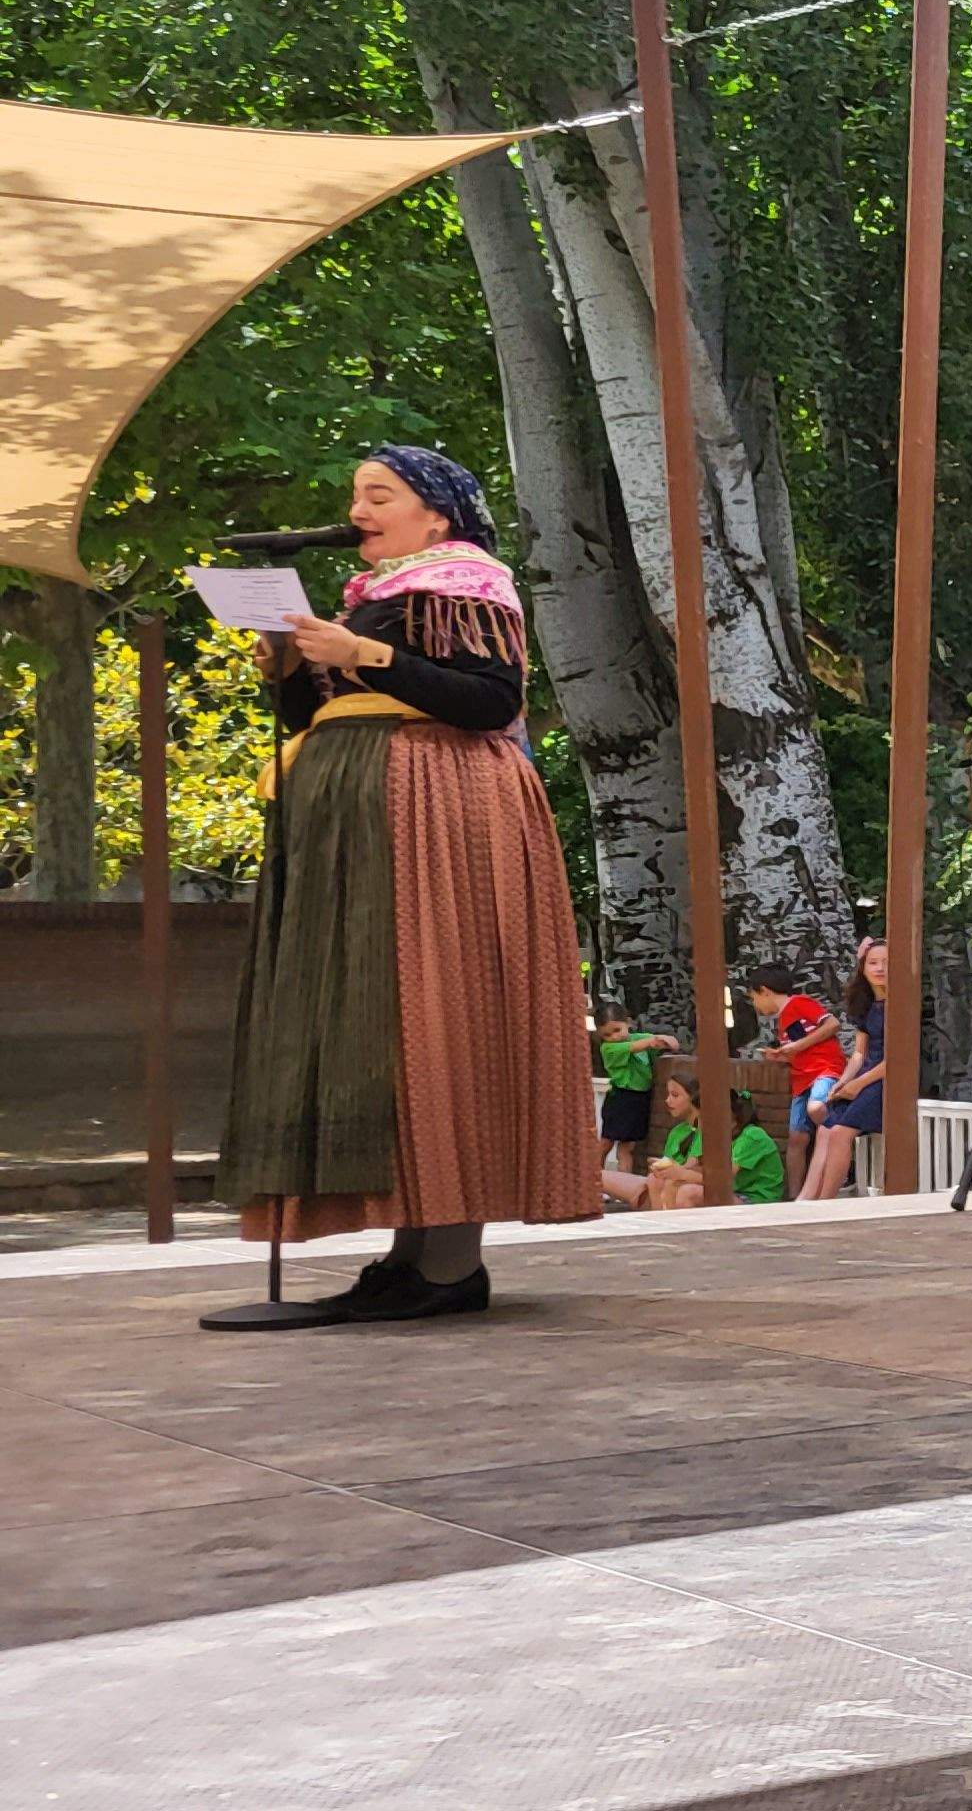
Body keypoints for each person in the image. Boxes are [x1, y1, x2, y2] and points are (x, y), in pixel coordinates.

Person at [212, 445, 595, 1328]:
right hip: (360, 818)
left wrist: (364, 656)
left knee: (435, 1008)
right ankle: (410, 1254)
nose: (359, 510)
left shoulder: (467, 581)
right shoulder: (373, 601)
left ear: (438, 515)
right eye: (353, 497)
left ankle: (451, 1263)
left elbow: (488, 701)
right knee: (380, 1018)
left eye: (378, 495)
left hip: (439, 812)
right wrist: (290, 671)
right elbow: (320, 718)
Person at [791, 939, 893, 1203]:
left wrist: (858, 1086)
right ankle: (806, 1198)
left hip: (887, 1077)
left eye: (886, 962)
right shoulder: (866, 1004)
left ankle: (827, 1202)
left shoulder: (898, 1006)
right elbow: (859, 1054)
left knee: (839, 1133)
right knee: (826, 1126)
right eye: (873, 963)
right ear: (863, 968)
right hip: (866, 1074)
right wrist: (844, 1081)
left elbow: (896, 1058)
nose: (880, 968)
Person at [605, 1076, 784, 1209]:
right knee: (659, 1180)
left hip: (754, 1200)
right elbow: (696, 1166)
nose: (702, 1124)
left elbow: (723, 1179)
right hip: (727, 1193)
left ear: (729, 1116)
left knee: (688, 1192)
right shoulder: (710, 1135)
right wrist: (671, 1170)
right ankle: (663, 1228)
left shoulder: (752, 1136)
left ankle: (684, 1234)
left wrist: (680, 1173)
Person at [747, 966, 843, 1198]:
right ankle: (794, 1194)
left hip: (824, 1070)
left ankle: (840, 1150)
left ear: (765, 991)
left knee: (817, 1109)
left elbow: (832, 1024)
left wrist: (795, 1047)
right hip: (801, 1078)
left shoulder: (799, 1003)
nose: (755, 1005)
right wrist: (781, 1055)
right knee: (796, 1138)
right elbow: (800, 1047)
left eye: (754, 998)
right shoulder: (783, 1020)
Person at [596, 1008, 671, 1173]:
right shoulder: (608, 1049)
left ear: (628, 1023)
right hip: (621, 1099)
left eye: (617, 1030)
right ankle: (594, 1179)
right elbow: (639, 1045)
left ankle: (624, 1184)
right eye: (607, 1035)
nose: (614, 1037)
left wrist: (666, 1040)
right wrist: (656, 1040)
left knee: (627, 1147)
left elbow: (649, 1041)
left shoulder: (637, 1038)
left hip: (639, 1100)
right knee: (606, 1142)